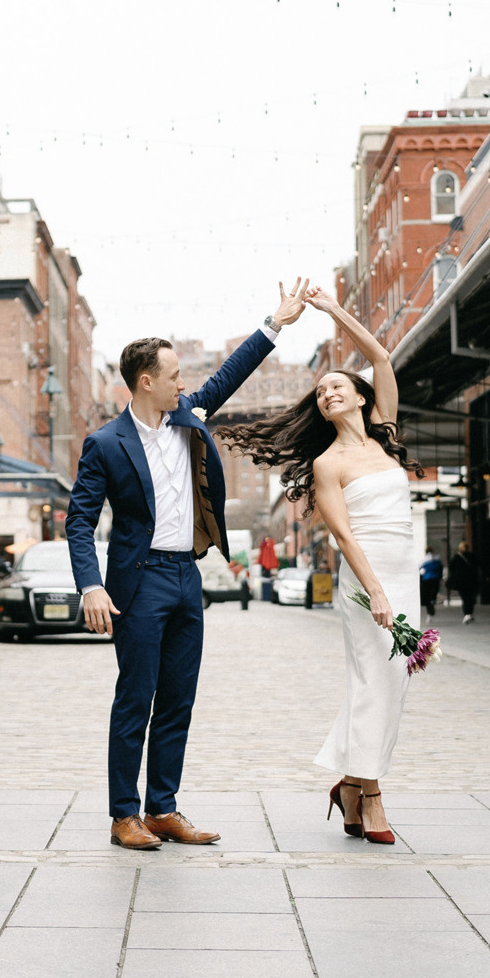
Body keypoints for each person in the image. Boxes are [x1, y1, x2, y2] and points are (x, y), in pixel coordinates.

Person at [68, 279, 313, 851]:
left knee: (178, 697)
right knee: (136, 697)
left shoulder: (189, 415)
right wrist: (91, 586)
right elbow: (79, 522)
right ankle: (123, 815)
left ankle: (163, 809)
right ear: (146, 382)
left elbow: (231, 373)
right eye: (175, 376)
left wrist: (276, 322)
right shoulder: (105, 445)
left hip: (186, 578)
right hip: (138, 581)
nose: (185, 383)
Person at [223, 285, 419, 847]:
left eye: (336, 385)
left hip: (404, 569)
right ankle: (371, 793)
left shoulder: (384, 432)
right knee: (371, 679)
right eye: (320, 391)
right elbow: (343, 535)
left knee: (392, 680)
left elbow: (381, 357)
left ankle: (350, 786)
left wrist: (333, 311)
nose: (327, 392)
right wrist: (376, 592)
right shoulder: (327, 463)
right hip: (367, 578)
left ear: (360, 396)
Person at [447, 542, 480, 623]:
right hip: (472, 580)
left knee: (465, 598)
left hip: (462, 581)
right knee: (471, 597)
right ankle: (470, 613)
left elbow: (451, 568)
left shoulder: (456, 557)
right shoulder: (472, 556)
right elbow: (477, 566)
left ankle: (467, 614)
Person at [419, 547, 444, 617]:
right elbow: (440, 568)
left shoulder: (425, 559)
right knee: (434, 592)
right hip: (436, 579)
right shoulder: (436, 559)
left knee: (427, 594)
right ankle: (433, 600)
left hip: (426, 579)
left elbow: (419, 567)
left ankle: (429, 606)